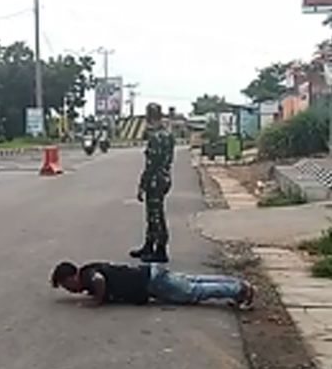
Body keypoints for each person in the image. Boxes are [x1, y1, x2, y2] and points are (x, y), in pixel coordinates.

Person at [50, 260, 255, 309]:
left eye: (68, 286)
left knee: (193, 292)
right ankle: (236, 285)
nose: (72, 291)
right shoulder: (88, 271)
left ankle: (240, 289)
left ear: (71, 277)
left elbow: (99, 281)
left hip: (150, 282)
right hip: (150, 273)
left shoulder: (88, 275)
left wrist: (97, 301)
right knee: (194, 282)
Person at [130, 103, 175, 263]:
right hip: (164, 177)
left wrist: (142, 185)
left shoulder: (155, 137)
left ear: (149, 117)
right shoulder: (168, 134)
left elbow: (151, 164)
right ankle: (149, 245)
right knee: (153, 214)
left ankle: (160, 250)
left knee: (155, 216)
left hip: (156, 179)